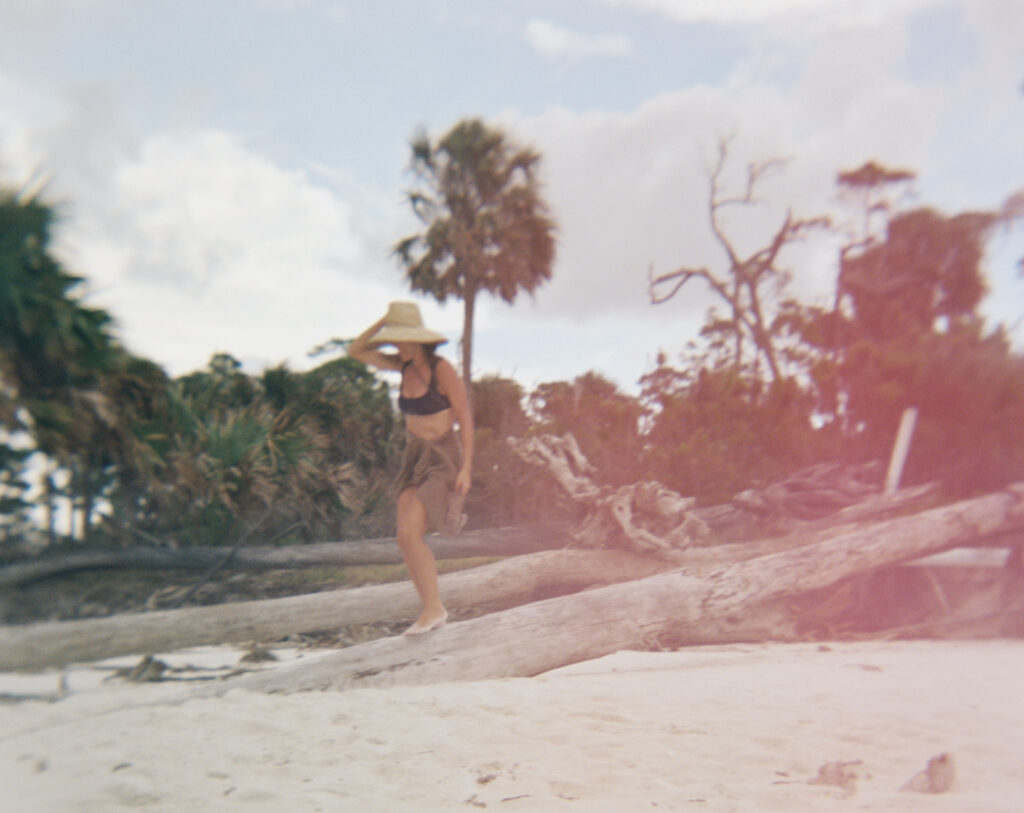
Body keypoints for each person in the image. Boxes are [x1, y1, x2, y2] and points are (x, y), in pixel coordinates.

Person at [348, 301, 474, 635]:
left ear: (419, 340)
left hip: (443, 457)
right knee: (404, 539)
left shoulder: (441, 369)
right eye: (395, 339)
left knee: (409, 533)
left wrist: (467, 468)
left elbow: (465, 416)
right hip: (414, 455)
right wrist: (382, 322)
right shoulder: (399, 365)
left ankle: (435, 609)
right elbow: (356, 350)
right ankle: (430, 608)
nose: (397, 346)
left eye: (402, 339)